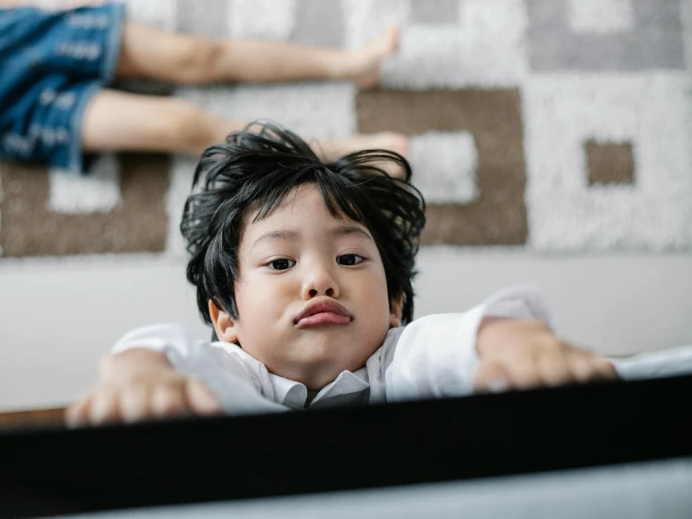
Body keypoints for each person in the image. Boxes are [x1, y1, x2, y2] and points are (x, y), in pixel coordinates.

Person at [65, 121, 620, 426]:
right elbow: (178, 357)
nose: (319, 281)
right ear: (226, 319)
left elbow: (447, 345)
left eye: (350, 258)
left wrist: (508, 340)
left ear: (395, 303)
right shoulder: (232, 375)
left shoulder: (398, 363)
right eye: (280, 263)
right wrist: (139, 374)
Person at [0, 0, 408, 172]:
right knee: (182, 126)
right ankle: (338, 153)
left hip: (13, 35)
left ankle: (347, 64)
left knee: (193, 55)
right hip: (10, 106)